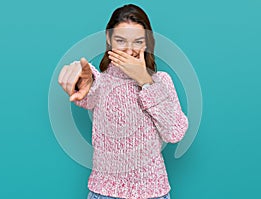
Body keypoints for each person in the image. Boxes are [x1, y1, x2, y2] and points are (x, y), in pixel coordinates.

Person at [58, 4, 189, 199]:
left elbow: (175, 132)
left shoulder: (161, 81)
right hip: (104, 194)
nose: (129, 50)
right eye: (120, 40)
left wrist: (145, 80)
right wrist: (81, 78)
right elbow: (91, 88)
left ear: (147, 43)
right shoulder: (100, 83)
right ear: (108, 39)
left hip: (153, 194)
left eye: (137, 41)